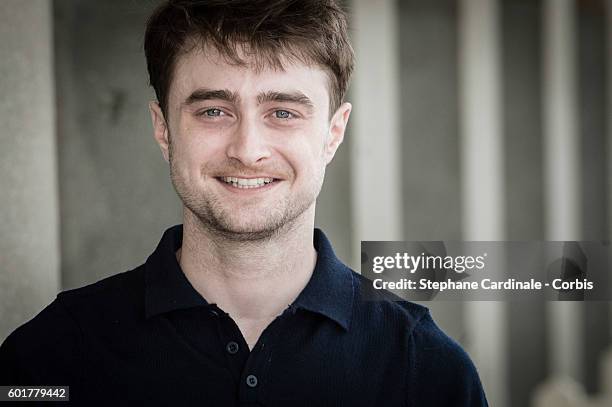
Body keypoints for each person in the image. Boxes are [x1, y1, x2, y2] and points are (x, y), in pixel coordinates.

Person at [0, 0, 488, 405]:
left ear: (333, 134)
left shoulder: (427, 372)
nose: (247, 149)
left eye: (282, 111)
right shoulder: (51, 357)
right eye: (214, 110)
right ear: (163, 128)